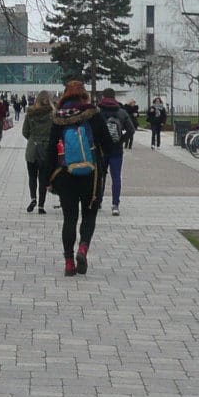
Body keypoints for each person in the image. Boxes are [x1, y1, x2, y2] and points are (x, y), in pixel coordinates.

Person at [47, 79, 111, 277]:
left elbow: (50, 151)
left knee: (70, 218)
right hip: (91, 175)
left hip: (66, 175)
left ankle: (68, 262)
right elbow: (108, 143)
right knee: (89, 215)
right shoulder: (93, 114)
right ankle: (83, 248)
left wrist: (49, 179)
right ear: (84, 94)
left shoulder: (58, 117)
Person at [95, 87, 133, 216]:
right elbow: (131, 129)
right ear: (114, 96)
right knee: (116, 177)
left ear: (103, 97)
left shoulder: (98, 111)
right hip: (116, 149)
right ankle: (115, 204)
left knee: (100, 176)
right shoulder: (121, 112)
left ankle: (98, 201)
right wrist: (121, 140)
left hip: (101, 149)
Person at [22, 90, 54, 213]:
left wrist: (32, 139)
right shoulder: (52, 114)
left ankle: (33, 198)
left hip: (32, 149)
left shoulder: (30, 113)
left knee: (32, 176)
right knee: (43, 178)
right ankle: (41, 205)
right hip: (46, 149)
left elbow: (25, 132)